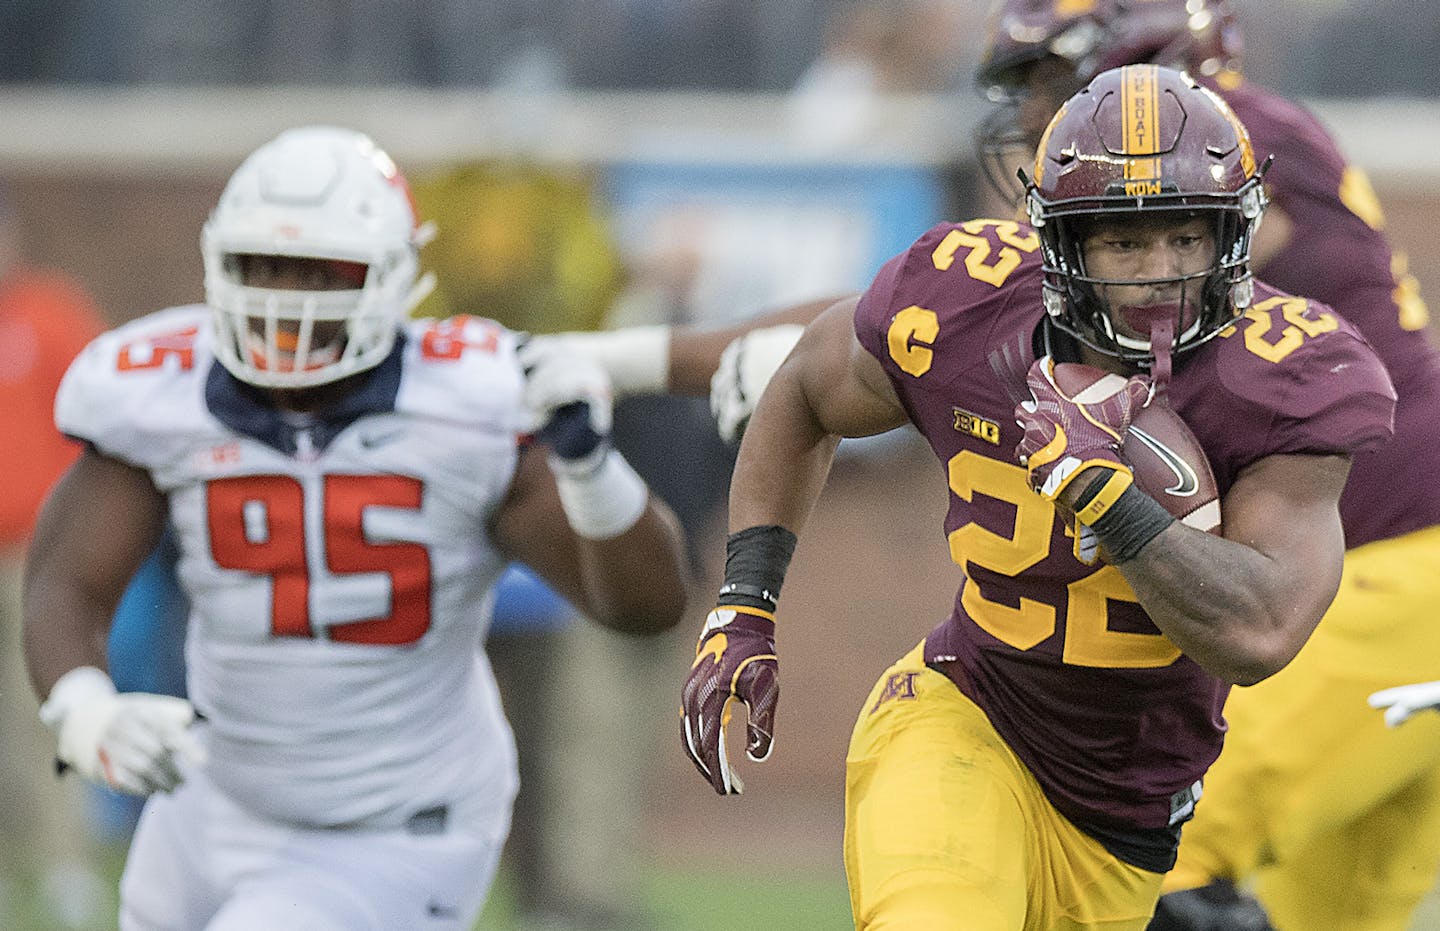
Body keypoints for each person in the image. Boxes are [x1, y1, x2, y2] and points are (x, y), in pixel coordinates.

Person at [678, 64, 1397, 930]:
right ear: (1063, 244)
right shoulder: (965, 304)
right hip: (965, 721)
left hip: (1126, 817)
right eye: (1124, 244)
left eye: (1184, 238)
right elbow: (802, 385)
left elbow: (1260, 629)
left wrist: (1106, 498)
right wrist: (743, 606)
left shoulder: (1290, 372)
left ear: (1230, 236)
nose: (1160, 274)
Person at [22, 125, 688, 930]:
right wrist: (87, 707)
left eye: (319, 272)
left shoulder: (470, 401)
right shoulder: (161, 391)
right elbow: (65, 582)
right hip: (211, 804)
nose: (284, 297)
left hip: (390, 827)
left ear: (394, 276)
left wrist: (589, 463)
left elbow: (645, 603)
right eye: (260, 265)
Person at [970, 3, 1440, 929]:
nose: (1033, 118)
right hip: (1401, 569)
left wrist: (724, 354)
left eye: (1045, 82)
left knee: (1153, 859)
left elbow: (968, 294)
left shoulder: (1204, 143)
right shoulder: (1256, 129)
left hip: (1393, 565)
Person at [0, 181, 109, 923]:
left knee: (44, 706)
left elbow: (102, 416)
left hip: (27, 553)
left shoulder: (48, 311)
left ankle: (66, 861)